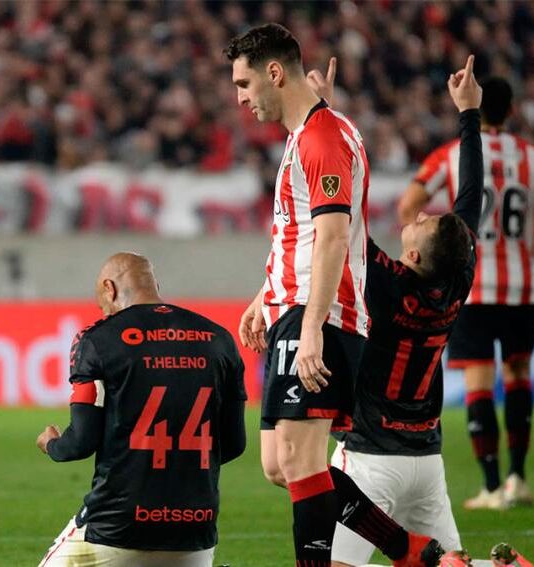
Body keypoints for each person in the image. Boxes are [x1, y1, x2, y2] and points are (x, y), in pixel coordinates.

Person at [227, 24, 441, 566]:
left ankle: (383, 553)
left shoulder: (321, 137)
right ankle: (406, 548)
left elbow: (334, 236)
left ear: (275, 73)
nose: (241, 98)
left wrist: (310, 329)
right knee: (280, 464)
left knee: (300, 461)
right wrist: (264, 296)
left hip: (318, 312)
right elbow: (299, 233)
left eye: (245, 83)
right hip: (294, 305)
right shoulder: (311, 134)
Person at [328, 56, 483, 567]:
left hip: (371, 461)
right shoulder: (457, 278)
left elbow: (342, 212)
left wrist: (322, 114)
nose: (417, 216)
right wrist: (469, 115)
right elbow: (470, 202)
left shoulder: (389, 287)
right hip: (426, 462)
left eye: (421, 224)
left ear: (413, 256)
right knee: (447, 563)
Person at [35, 252, 247, 567]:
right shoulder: (219, 339)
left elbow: (80, 442)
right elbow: (233, 444)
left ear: (109, 288)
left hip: (117, 526)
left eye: (101, 303)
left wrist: (51, 444)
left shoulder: (97, 340)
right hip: (194, 530)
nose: (104, 312)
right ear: (154, 284)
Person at [399, 76, 534, 510]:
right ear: (512, 110)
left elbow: (408, 204)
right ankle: (518, 477)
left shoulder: (451, 155)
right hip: (522, 285)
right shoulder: (530, 156)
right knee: (517, 376)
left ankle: (492, 486)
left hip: (473, 287)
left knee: (478, 381)